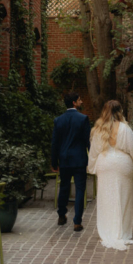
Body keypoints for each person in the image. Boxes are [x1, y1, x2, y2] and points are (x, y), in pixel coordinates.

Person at [87, 100, 133, 251]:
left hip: (105, 163)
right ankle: (121, 232)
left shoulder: (98, 129)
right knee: (123, 198)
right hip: (122, 164)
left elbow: (94, 152)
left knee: (106, 198)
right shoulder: (124, 128)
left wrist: (92, 168)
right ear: (120, 111)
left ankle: (108, 230)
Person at [51, 92, 91, 232]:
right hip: (79, 159)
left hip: (64, 159)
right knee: (80, 189)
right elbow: (88, 142)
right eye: (79, 99)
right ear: (74, 102)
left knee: (64, 187)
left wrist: (54, 161)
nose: (81, 101)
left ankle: (62, 215)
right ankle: (77, 222)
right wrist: (92, 159)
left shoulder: (58, 120)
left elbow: (55, 143)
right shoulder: (83, 119)